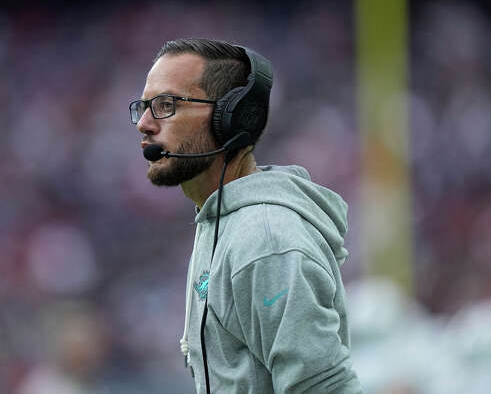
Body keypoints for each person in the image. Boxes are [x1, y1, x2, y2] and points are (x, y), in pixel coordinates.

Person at [130, 38, 362, 393]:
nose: (144, 124)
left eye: (165, 105)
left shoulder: (265, 239)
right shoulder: (222, 222)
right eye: (144, 107)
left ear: (231, 118)